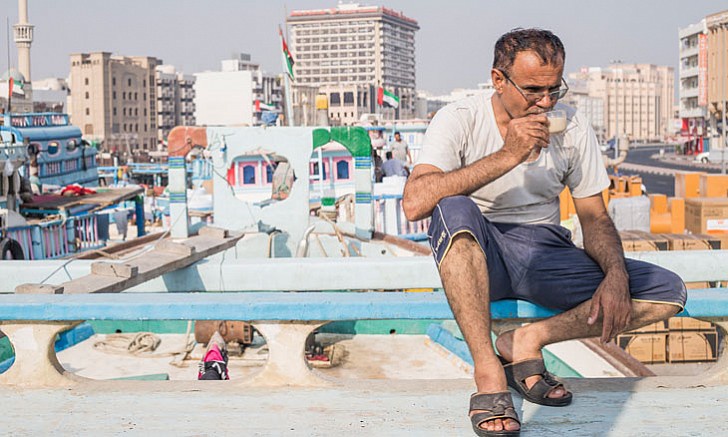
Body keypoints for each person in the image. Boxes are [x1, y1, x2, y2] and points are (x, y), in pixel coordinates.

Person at [402, 28, 685, 437]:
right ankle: (489, 375)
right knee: (453, 207)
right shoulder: (460, 118)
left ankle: (524, 341)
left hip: (544, 252)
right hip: (479, 251)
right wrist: (508, 155)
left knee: (667, 291)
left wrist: (615, 275)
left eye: (556, 89)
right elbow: (415, 203)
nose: (546, 102)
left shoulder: (570, 126)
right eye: (534, 90)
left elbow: (594, 217)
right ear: (498, 80)